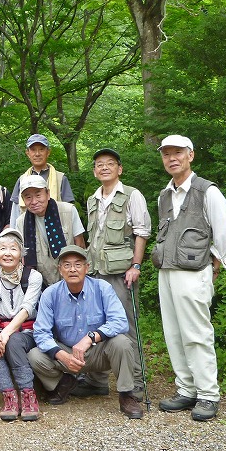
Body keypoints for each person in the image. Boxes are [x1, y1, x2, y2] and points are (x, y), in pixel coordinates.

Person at [152, 135, 226, 422]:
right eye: (166, 154)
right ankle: (186, 389)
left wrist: (215, 258)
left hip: (194, 271)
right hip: (167, 271)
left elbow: (222, 231)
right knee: (174, 334)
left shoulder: (207, 191)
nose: (172, 158)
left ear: (191, 155)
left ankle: (208, 394)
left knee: (197, 333)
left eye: (178, 153)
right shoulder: (164, 195)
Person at [28, 245, 143, 419]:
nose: (72, 269)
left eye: (78, 264)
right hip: (68, 353)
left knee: (122, 342)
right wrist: (62, 356)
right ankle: (64, 384)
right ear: (60, 270)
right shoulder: (50, 294)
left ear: (87, 268)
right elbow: (41, 333)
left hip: (99, 352)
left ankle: (127, 395)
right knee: (35, 355)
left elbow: (120, 322)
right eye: (66, 265)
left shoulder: (102, 288)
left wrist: (90, 338)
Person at [75, 148, 151, 399]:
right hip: (95, 272)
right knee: (95, 323)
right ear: (95, 171)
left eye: (110, 163)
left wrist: (136, 265)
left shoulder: (132, 195)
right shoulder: (92, 199)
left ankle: (136, 382)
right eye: (99, 164)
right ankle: (96, 380)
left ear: (120, 169)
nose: (104, 167)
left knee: (126, 326)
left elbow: (141, 232)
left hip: (120, 273)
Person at [0, 228, 43, 422]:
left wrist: (6, 333)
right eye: (3, 248)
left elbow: (27, 308)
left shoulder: (33, 276)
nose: (7, 253)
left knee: (14, 342)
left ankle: (28, 394)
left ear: (21, 253)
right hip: (0, 328)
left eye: (13, 249)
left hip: (27, 330)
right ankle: (9, 396)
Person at [15, 175, 85, 287]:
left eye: (38, 195)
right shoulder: (21, 222)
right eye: (28, 197)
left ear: (47, 194)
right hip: (40, 282)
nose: (34, 201)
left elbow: (80, 244)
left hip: (70, 278)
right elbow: (22, 256)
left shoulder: (69, 210)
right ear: (23, 200)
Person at [10, 134, 75, 224]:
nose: (37, 154)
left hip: (57, 228)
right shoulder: (22, 180)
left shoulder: (60, 178)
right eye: (33, 150)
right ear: (28, 153)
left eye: (41, 149)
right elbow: (15, 213)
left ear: (48, 152)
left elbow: (69, 211)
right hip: (28, 230)